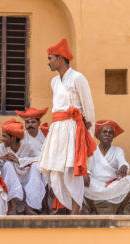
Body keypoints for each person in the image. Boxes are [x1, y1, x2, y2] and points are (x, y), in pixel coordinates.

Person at [38, 38, 96, 215]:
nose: (48, 62)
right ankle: (69, 205)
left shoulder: (78, 78)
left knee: (71, 169)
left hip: (74, 128)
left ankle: (76, 209)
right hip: (57, 129)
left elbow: (89, 109)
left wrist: (89, 136)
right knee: (55, 171)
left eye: (50, 58)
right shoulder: (54, 82)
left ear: (60, 58)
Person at [0, 119, 46, 214]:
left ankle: (30, 205)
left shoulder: (28, 147)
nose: (1, 139)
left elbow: (42, 159)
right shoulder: (1, 148)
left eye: (4, 136)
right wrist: (0, 160)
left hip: (27, 178)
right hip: (11, 178)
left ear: (13, 138)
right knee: (8, 165)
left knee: (36, 166)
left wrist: (19, 160)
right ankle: (13, 204)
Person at [84, 120, 130, 214]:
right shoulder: (92, 150)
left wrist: (124, 167)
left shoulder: (118, 150)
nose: (108, 134)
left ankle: (120, 210)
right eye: (104, 132)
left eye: (110, 133)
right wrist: (85, 174)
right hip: (95, 183)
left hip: (112, 185)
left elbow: (123, 162)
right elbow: (87, 166)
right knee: (80, 180)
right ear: (98, 135)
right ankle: (93, 209)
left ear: (113, 137)